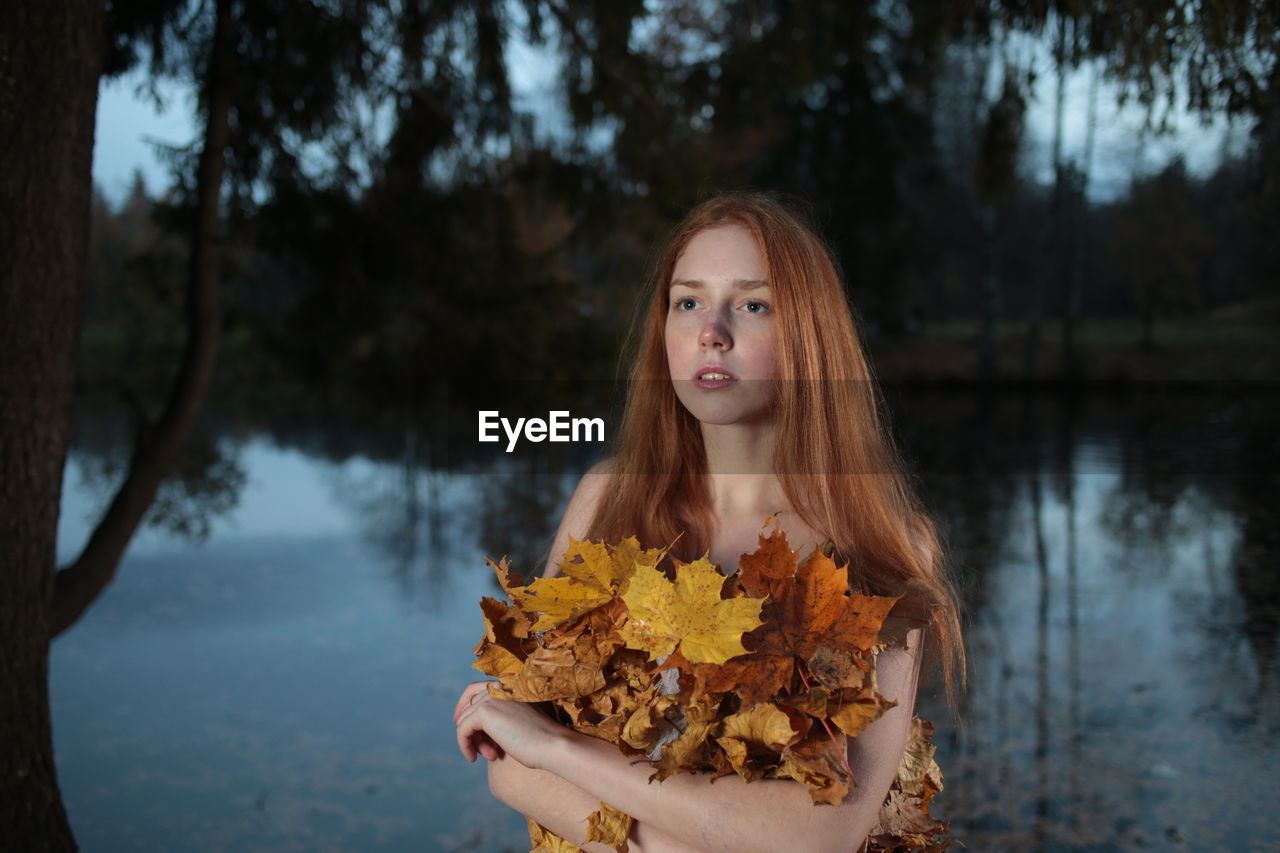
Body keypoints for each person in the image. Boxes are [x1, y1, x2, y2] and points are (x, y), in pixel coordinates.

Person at [454, 192, 965, 853]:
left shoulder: (874, 541)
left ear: (808, 335)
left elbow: (827, 829)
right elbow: (509, 763)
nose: (711, 331)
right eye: (687, 301)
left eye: (753, 304)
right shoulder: (607, 499)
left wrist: (556, 745)